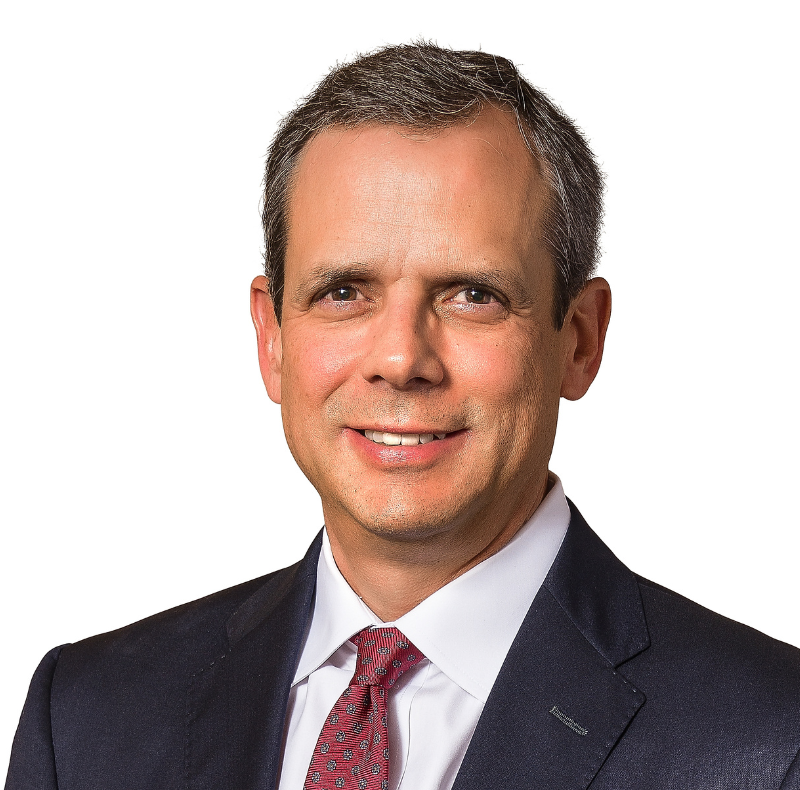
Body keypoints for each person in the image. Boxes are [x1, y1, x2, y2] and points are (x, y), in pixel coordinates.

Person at [6, 42, 800, 790]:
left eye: (472, 295)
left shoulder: (772, 741)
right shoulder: (83, 722)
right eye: (343, 292)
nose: (400, 358)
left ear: (579, 340)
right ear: (272, 339)